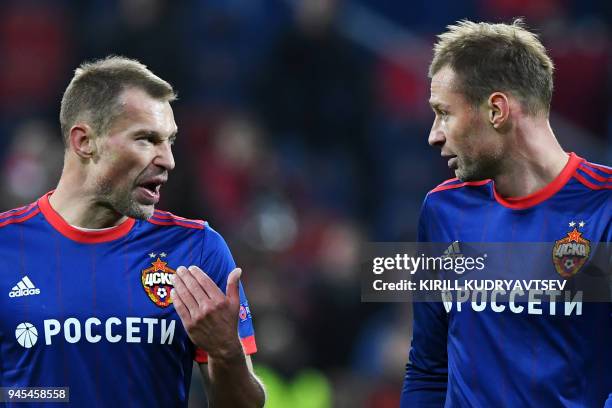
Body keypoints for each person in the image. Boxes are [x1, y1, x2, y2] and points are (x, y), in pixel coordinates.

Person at [0, 56, 265, 407]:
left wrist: (227, 353)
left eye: (169, 141)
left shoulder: (197, 250)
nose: (168, 159)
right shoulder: (7, 246)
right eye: (146, 139)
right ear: (84, 141)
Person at [401, 20, 611, 406]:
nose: (434, 134)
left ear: (497, 110)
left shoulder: (605, 208)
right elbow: (429, 369)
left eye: (444, 113)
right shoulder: (443, 210)